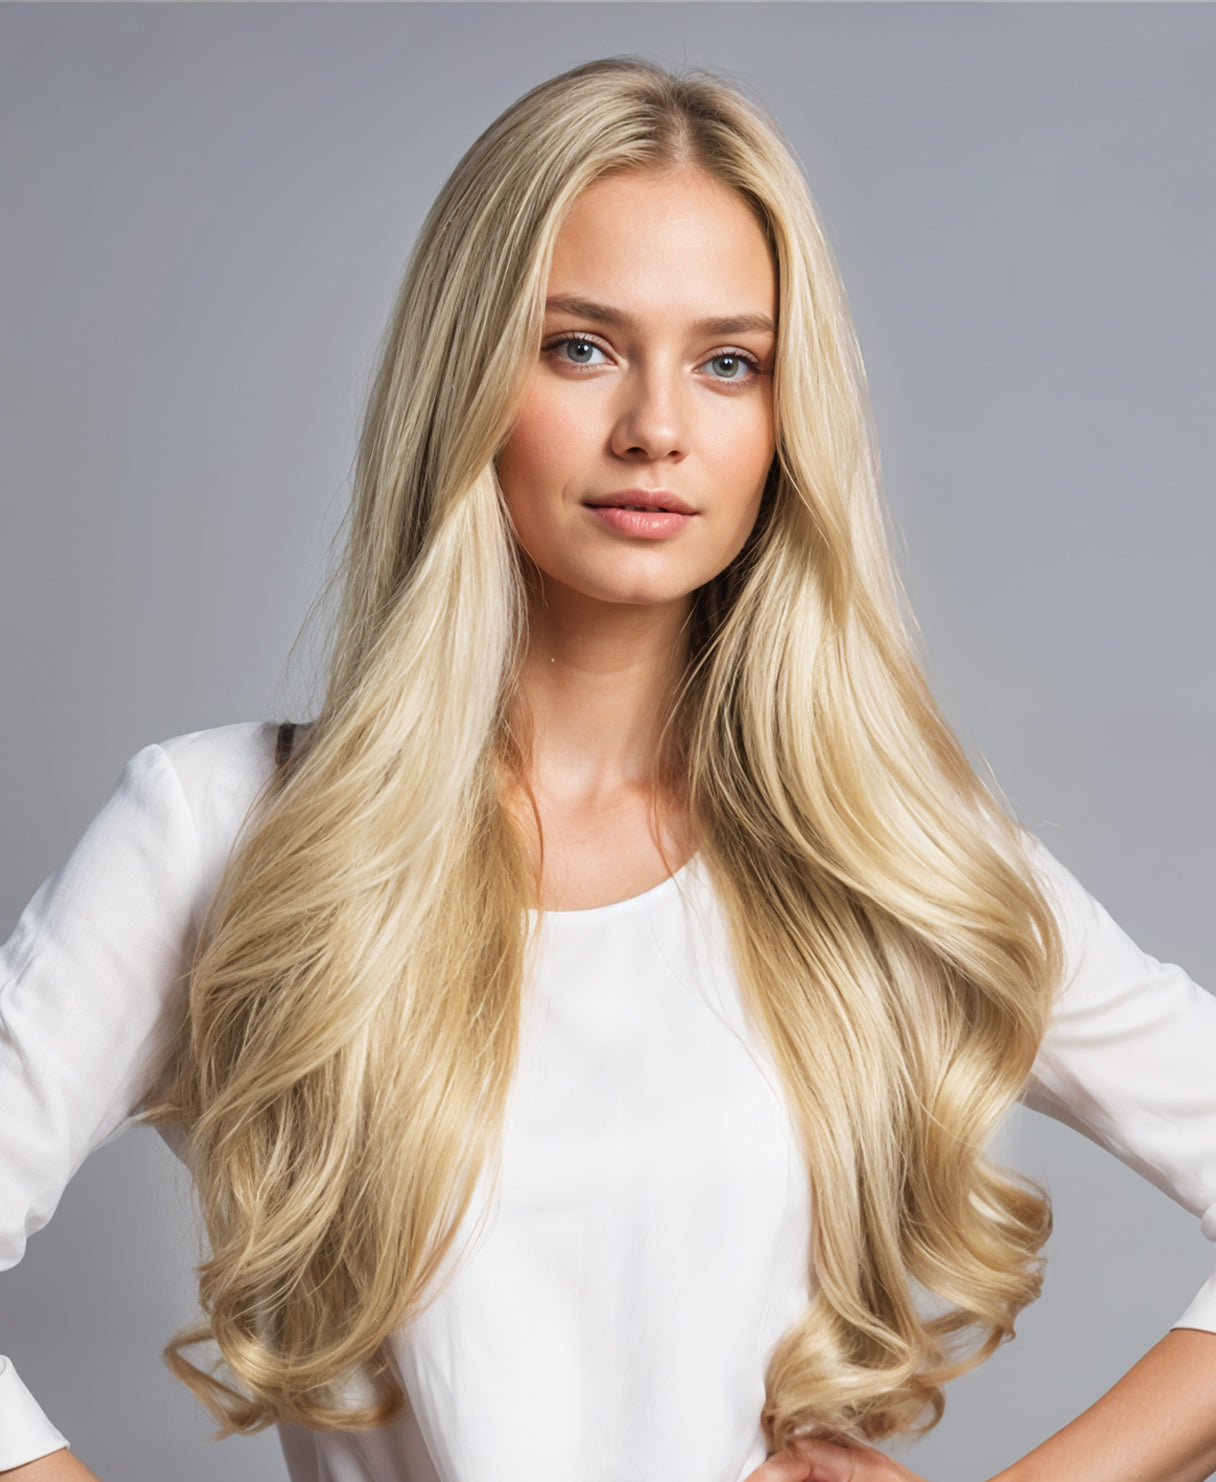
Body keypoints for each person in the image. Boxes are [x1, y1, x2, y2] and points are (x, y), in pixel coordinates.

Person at [2, 55, 1215, 1482]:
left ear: (783, 416)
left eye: (728, 361)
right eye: (580, 345)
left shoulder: (884, 846)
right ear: (468, 375)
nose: (657, 426)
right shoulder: (222, 830)